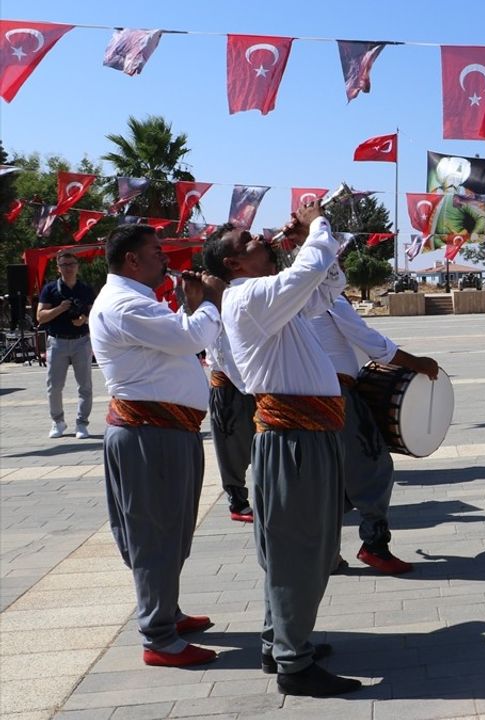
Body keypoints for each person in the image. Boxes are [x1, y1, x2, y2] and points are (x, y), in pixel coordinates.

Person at [207, 202, 362, 696]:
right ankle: (295, 664)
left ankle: (281, 643)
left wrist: (303, 246)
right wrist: (316, 222)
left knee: (295, 547)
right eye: (250, 241)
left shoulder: (267, 296)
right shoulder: (248, 295)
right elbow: (313, 268)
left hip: (304, 434)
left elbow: (326, 289)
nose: (264, 240)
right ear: (234, 265)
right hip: (294, 438)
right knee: (300, 548)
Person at [88, 223, 223, 667]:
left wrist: (190, 308)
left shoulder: (137, 301)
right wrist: (206, 305)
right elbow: (190, 338)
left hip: (165, 431)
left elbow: (178, 337)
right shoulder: (125, 304)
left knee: (172, 530)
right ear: (132, 260)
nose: (165, 258)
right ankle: (159, 637)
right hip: (150, 433)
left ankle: (166, 611)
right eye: (156, 251)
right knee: (155, 535)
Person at [311, 289, 438, 574]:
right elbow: (370, 341)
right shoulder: (325, 296)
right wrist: (418, 363)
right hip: (337, 394)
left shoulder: (287, 297)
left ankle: (323, 553)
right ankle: (375, 545)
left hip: (305, 398)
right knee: (374, 465)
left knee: (331, 479)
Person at [37, 250, 96, 439]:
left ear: (77, 266)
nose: (69, 268)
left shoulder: (85, 289)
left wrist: (84, 319)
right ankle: (57, 421)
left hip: (81, 341)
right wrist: (60, 308)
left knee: (85, 385)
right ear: (58, 268)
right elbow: (40, 316)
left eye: (72, 264)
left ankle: (82, 423)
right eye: (64, 265)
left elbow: (96, 314)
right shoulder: (50, 289)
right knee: (54, 386)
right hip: (57, 341)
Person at [207, 325, 255, 523]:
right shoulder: (213, 308)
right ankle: (237, 501)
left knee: (258, 443)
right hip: (230, 388)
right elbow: (223, 353)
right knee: (231, 447)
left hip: (251, 384)